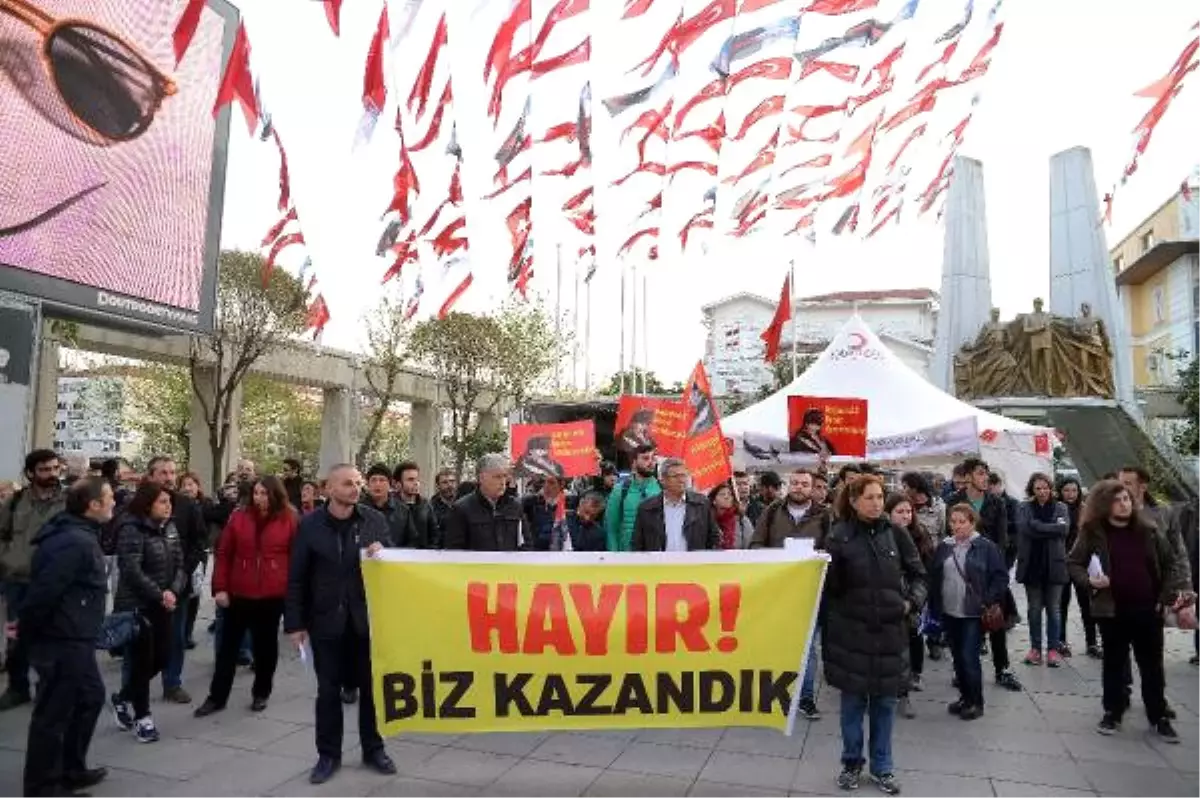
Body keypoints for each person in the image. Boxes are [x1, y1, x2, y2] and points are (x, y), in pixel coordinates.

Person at [284, 464, 396, 784]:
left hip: (365, 622)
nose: (355, 488)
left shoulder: (374, 520)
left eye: (358, 483)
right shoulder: (310, 525)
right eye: (347, 483)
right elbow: (296, 578)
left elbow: (393, 568)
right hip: (326, 623)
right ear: (329, 489)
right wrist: (295, 623)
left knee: (372, 691)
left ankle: (374, 748)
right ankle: (328, 755)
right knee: (328, 692)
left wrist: (383, 553)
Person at [1067, 479, 1193, 743]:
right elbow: (1074, 563)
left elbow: (1171, 564)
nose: (1124, 504)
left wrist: (1165, 597)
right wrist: (1090, 581)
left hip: (1147, 609)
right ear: (1104, 504)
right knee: (1113, 663)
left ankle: (1158, 716)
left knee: (1152, 666)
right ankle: (1112, 712)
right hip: (1111, 611)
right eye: (1117, 500)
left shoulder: (1148, 529)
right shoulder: (1092, 531)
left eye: (1126, 499)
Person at [823, 474, 926, 794]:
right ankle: (851, 764)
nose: (876, 503)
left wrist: (911, 603)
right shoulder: (838, 537)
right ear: (853, 502)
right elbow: (828, 588)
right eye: (869, 497)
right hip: (850, 636)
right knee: (852, 705)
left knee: (884, 705)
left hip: (889, 635)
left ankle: (883, 768)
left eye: (880, 497)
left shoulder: (896, 533)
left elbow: (919, 574)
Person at [17, 477, 114, 798]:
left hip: (76, 638)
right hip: (62, 641)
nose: (114, 501)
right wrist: (26, 640)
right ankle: (42, 787)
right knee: (52, 715)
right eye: (109, 497)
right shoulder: (74, 541)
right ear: (93, 505)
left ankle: (71, 769)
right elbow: (43, 594)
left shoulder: (81, 534)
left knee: (90, 697)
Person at [195, 476, 298, 717]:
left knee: (265, 649)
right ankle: (217, 697)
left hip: (271, 596)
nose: (260, 498)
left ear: (276, 495)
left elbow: (297, 559)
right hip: (238, 593)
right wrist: (220, 588)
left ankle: (261, 692)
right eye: (257, 493)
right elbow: (224, 553)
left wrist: (292, 595)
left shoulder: (290, 519)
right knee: (227, 650)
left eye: (265, 493)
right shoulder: (239, 517)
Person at [750, 469, 830, 720]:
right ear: (788, 485)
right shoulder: (772, 511)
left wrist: (817, 557)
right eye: (794, 483)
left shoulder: (825, 515)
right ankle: (773, 693)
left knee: (809, 647)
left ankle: (805, 697)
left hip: (811, 590)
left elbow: (834, 547)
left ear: (812, 487)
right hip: (779, 590)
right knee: (776, 641)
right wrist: (777, 557)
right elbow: (755, 544)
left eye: (804, 484)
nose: (798, 487)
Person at [110, 481, 186, 743]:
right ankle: (143, 719)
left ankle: (122, 698)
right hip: (138, 606)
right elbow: (131, 569)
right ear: (148, 503)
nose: (168, 507)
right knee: (142, 662)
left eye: (169, 502)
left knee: (162, 657)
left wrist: (173, 591)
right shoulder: (132, 528)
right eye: (162, 502)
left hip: (163, 604)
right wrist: (159, 593)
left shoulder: (170, 527)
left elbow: (180, 565)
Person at [944, 458, 1022, 692]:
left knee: (995, 621)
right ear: (967, 476)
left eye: (986, 474)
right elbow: (948, 534)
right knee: (961, 623)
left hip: (989, 571)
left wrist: (1000, 569)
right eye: (979, 473)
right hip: (961, 570)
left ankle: (1002, 668)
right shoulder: (953, 500)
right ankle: (961, 670)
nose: (985, 478)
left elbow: (1002, 539)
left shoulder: (996, 502)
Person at [928, 503, 1009, 722]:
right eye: (953, 522)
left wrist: (988, 599)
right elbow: (935, 576)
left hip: (973, 612)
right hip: (949, 610)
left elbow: (1001, 577)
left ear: (972, 522)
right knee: (957, 657)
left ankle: (976, 702)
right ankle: (964, 697)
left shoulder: (986, 547)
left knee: (969, 657)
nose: (956, 526)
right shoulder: (945, 546)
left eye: (962, 522)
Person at [0, 449, 66, 711]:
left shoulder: (69, 500)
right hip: (17, 580)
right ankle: (17, 688)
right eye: (44, 470)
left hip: (53, 581)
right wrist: (7, 560)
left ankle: (47, 689)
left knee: (52, 637)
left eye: (54, 468)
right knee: (17, 638)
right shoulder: (16, 501)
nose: (51, 474)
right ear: (30, 473)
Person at [139, 456, 205, 704]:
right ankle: (133, 687)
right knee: (142, 638)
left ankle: (172, 683)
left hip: (179, 585)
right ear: (151, 475)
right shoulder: (138, 505)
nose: (168, 477)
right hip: (146, 585)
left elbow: (199, 542)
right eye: (163, 472)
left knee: (175, 637)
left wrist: (183, 572)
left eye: (172, 472)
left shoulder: (187, 505)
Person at [886, 493, 934, 719]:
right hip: (888, 597)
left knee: (911, 640)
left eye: (908, 511)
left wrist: (915, 599)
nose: (905, 516)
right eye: (900, 511)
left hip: (911, 598)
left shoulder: (920, 534)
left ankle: (905, 691)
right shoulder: (884, 534)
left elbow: (924, 570)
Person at [1016, 472, 1070, 667]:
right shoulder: (1024, 507)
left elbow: (1064, 530)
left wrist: (1037, 526)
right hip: (1032, 564)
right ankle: (1035, 649)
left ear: (1051, 488)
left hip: (1054, 565)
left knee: (1054, 610)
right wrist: (1050, 528)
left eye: (1045, 487)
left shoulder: (1061, 507)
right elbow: (1025, 529)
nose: (1042, 491)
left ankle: (1054, 649)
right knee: (1034, 609)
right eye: (1038, 488)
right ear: (1032, 489)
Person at [632, 459, 721, 552]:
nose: (681, 480)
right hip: (659, 564)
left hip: (693, 564)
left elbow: (714, 538)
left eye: (683, 475)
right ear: (663, 480)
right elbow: (637, 543)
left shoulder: (701, 504)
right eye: (676, 476)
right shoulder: (646, 508)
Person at [442, 454, 523, 551]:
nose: (503, 482)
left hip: (510, 565)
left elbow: (525, 543)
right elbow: (454, 549)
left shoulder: (515, 506)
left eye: (504, 476)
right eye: (497, 477)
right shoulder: (462, 508)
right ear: (481, 478)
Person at [1057, 477, 1099, 658]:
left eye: (1074, 490)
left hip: (1082, 563)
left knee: (1087, 604)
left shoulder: (1086, 510)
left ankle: (1092, 643)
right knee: (1061, 604)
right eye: (1066, 490)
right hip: (1061, 561)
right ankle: (1060, 641)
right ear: (1060, 491)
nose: (1070, 494)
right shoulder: (1056, 508)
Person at [604, 444, 661, 552]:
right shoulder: (620, 490)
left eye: (653, 458)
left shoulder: (662, 489)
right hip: (627, 558)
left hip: (656, 557)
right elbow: (611, 529)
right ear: (634, 462)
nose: (651, 462)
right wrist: (614, 558)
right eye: (645, 458)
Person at [522, 474, 566, 552]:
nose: (546, 486)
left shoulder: (569, 503)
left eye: (551, 483)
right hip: (536, 553)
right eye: (544, 482)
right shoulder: (531, 502)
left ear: (561, 485)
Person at [709, 483, 754, 550]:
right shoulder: (708, 521)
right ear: (714, 501)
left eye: (729, 494)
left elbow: (750, 546)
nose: (726, 497)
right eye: (722, 494)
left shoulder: (742, 521)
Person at [429, 468, 458, 533]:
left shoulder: (464, 504)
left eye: (452, 481)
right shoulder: (431, 507)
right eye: (445, 482)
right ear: (437, 486)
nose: (450, 485)